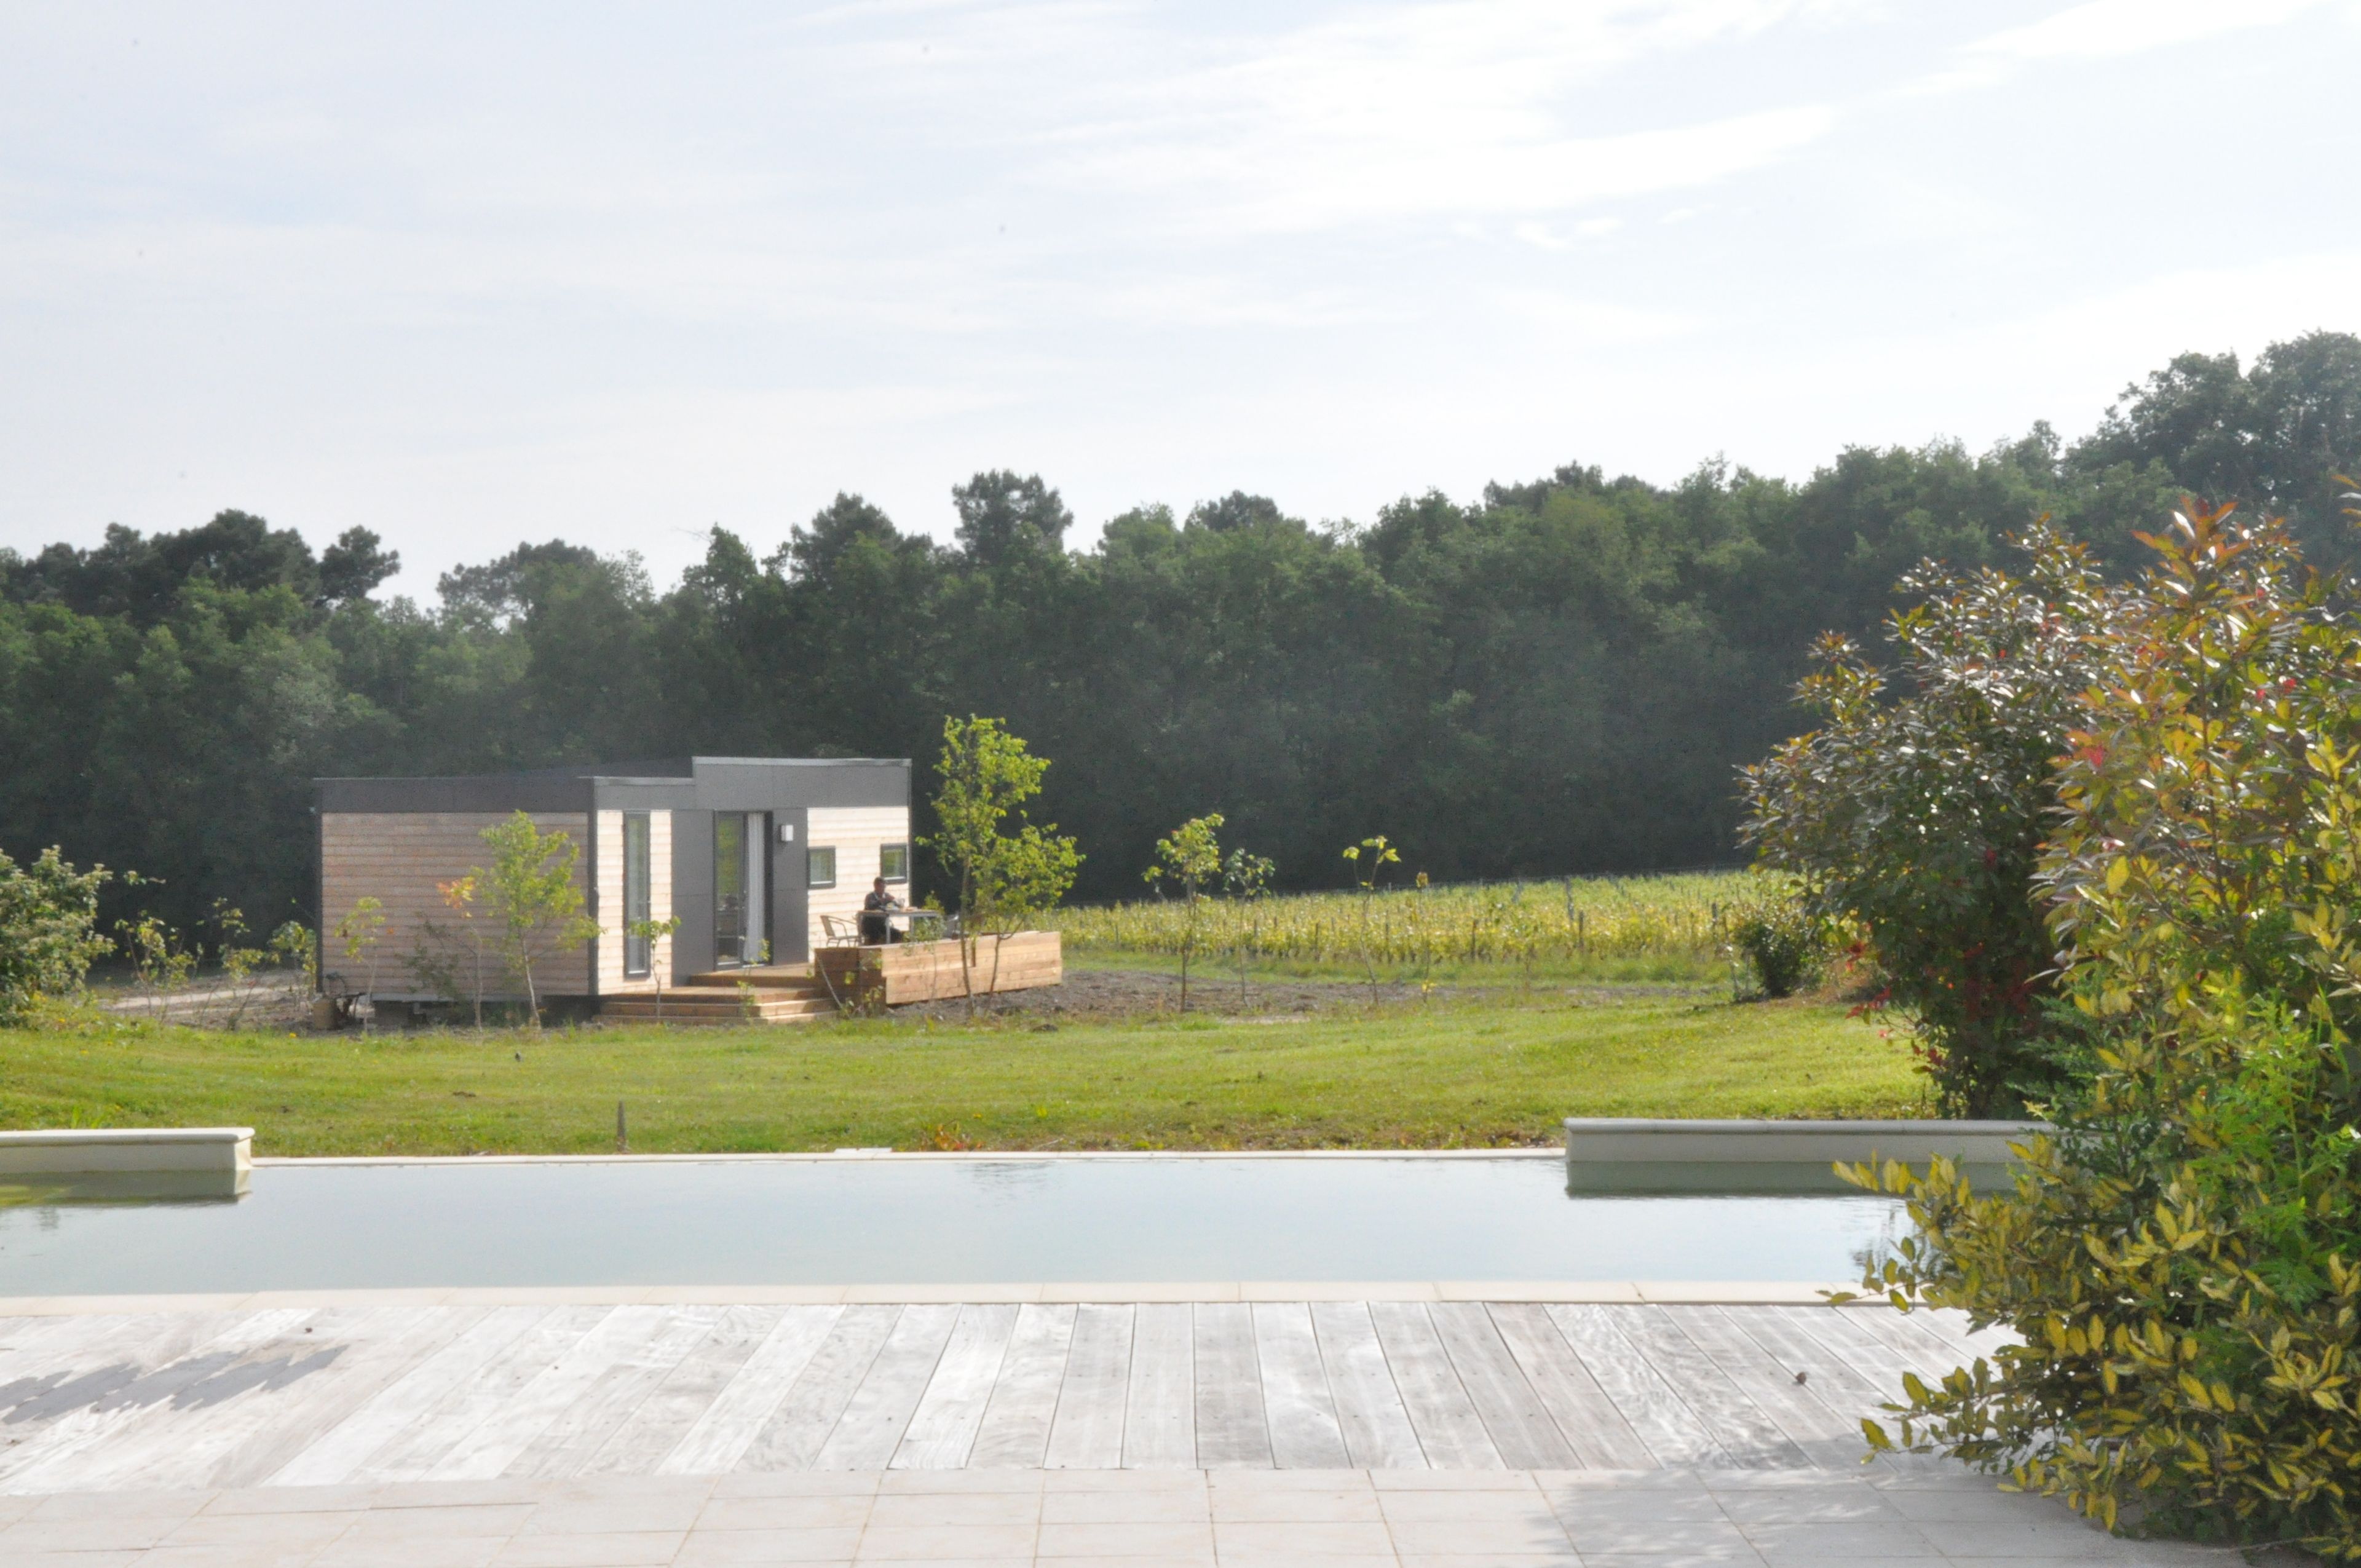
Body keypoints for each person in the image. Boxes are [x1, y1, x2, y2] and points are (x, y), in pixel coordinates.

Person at [860, 876, 903, 944]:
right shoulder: (870, 896)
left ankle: (889, 948)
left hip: (881, 925)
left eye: (884, 887)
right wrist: (882, 901)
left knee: (897, 934)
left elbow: (892, 905)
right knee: (876, 935)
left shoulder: (886, 895)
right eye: (881, 887)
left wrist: (895, 902)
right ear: (876, 886)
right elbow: (870, 906)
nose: (883, 889)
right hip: (870, 925)